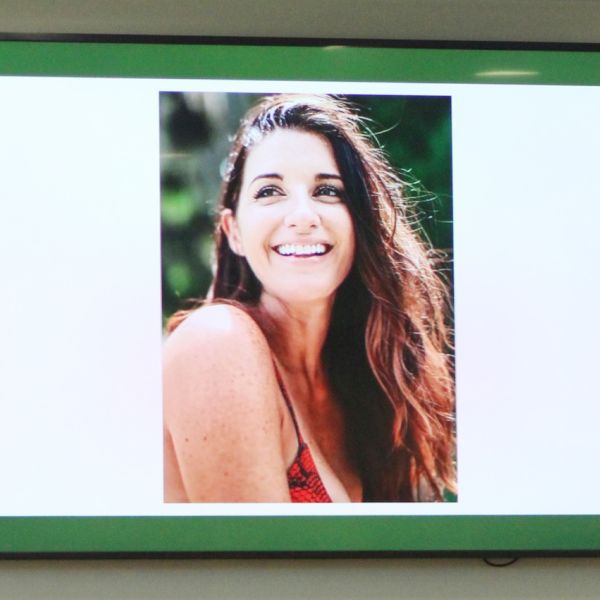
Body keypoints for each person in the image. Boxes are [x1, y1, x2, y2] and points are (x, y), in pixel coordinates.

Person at [163, 94, 455, 503]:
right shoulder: (216, 343)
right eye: (269, 191)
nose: (303, 215)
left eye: (328, 191)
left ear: (360, 221)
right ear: (234, 233)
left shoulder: (372, 379)